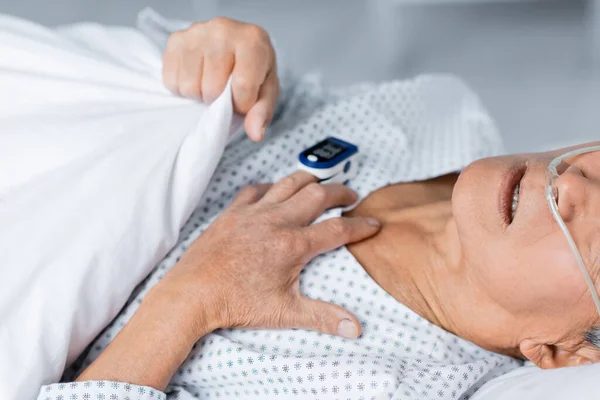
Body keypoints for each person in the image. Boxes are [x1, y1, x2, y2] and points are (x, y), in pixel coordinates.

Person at [37, 16, 600, 400]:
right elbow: (235, 102)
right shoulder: (443, 117)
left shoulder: (379, 384)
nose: (574, 185)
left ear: (561, 350)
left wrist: (191, 298)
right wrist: (225, 58)